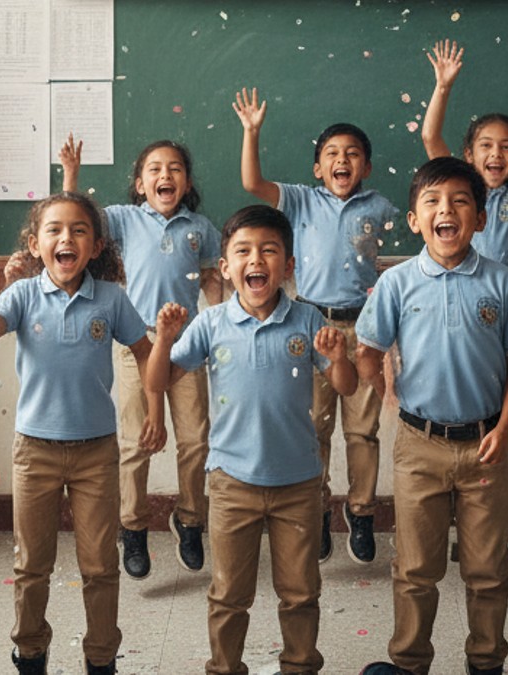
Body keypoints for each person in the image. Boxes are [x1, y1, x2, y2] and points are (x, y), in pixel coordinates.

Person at [145, 204, 357, 675]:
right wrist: (163, 339)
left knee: (300, 592)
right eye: (243, 251)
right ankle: (225, 667)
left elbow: (346, 386)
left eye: (269, 250)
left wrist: (340, 359)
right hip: (231, 482)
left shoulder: (308, 320)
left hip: (298, 482)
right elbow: (158, 381)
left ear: (289, 265)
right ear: (225, 267)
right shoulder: (210, 323)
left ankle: (299, 665)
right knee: (228, 594)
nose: (256, 259)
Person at [0, 191, 160, 675]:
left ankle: (101, 657)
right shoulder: (22, 294)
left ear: (96, 246)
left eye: (79, 230)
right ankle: (30, 651)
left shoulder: (111, 298)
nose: (66, 238)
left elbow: (144, 353)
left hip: (96, 452)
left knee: (100, 566)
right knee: (32, 565)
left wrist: (154, 410)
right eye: (54, 230)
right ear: (35, 244)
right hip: (35, 451)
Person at [357, 157, 508, 675]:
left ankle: (486, 661)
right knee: (415, 568)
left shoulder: (502, 283)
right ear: (415, 220)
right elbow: (368, 351)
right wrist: (384, 388)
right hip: (420, 445)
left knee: (488, 570)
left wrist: (506, 428)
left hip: (486, 444)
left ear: (480, 218)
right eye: (432, 201)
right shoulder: (396, 283)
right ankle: (410, 662)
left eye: (460, 201)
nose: (446, 210)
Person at [232, 87, 398, 565]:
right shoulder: (301, 201)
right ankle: (318, 509)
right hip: (310, 325)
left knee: (362, 431)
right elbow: (252, 183)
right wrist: (251, 132)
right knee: (313, 427)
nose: (342, 161)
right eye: (332, 154)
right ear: (317, 169)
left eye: (353, 154)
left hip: (363, 327)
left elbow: (411, 253)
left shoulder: (381, 208)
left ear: (367, 167)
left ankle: (361, 511)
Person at [421, 39, 508, 573]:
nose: (496, 155)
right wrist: (443, 86)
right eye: (485, 145)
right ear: (468, 154)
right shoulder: (458, 191)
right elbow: (430, 137)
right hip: (457, 310)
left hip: (507, 310)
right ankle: (466, 525)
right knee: (463, 417)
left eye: (506, 147)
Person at [61, 135, 223, 576]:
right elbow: (76, 218)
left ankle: (190, 519)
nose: (164, 175)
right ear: (139, 184)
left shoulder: (200, 228)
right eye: (154, 169)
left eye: (174, 169)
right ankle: (132, 527)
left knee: (195, 440)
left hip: (187, 345)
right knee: (136, 441)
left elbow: (212, 276)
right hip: (137, 341)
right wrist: (72, 175)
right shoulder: (123, 219)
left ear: (187, 183)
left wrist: (220, 318)